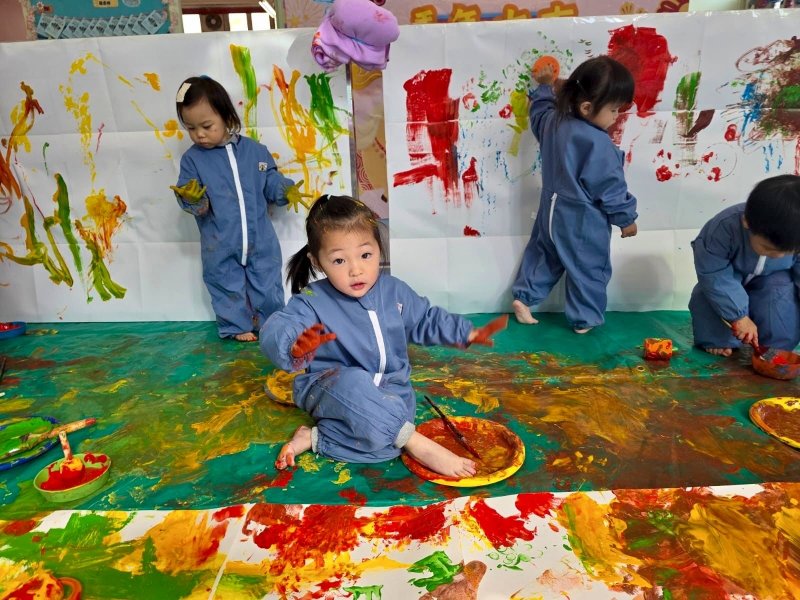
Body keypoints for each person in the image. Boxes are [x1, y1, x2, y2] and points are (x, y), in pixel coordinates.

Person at [260, 195, 508, 477]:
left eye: (365, 255)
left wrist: (465, 332)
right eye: (339, 260)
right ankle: (416, 442)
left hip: (391, 392)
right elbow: (279, 326)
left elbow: (425, 319)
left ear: (379, 249)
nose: (356, 269)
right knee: (359, 387)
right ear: (317, 261)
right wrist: (292, 344)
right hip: (332, 389)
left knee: (386, 446)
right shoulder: (312, 300)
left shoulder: (394, 292)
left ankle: (315, 438)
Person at [171, 76, 305, 341]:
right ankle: (236, 326)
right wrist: (192, 198)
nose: (199, 134)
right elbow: (192, 199)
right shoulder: (192, 160)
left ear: (226, 116)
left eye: (206, 126)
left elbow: (270, 180)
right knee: (224, 283)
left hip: (261, 239)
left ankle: (271, 324)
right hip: (220, 241)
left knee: (267, 282)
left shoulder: (255, 151)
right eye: (190, 128)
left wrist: (284, 190)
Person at [511, 56, 638, 333]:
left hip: (550, 211)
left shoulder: (554, 122)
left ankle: (524, 297)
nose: (616, 116)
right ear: (586, 107)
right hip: (582, 217)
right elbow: (610, 186)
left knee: (545, 254)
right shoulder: (598, 142)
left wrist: (544, 87)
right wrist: (625, 218)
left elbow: (539, 113)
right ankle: (585, 319)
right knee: (589, 267)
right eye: (614, 109)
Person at [689, 174, 800, 356]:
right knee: (707, 293)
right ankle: (719, 339)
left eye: (788, 252)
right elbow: (713, 272)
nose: (778, 256)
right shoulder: (722, 228)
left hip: (774, 277)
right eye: (767, 248)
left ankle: (776, 346)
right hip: (727, 277)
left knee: (782, 294)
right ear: (746, 222)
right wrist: (738, 316)